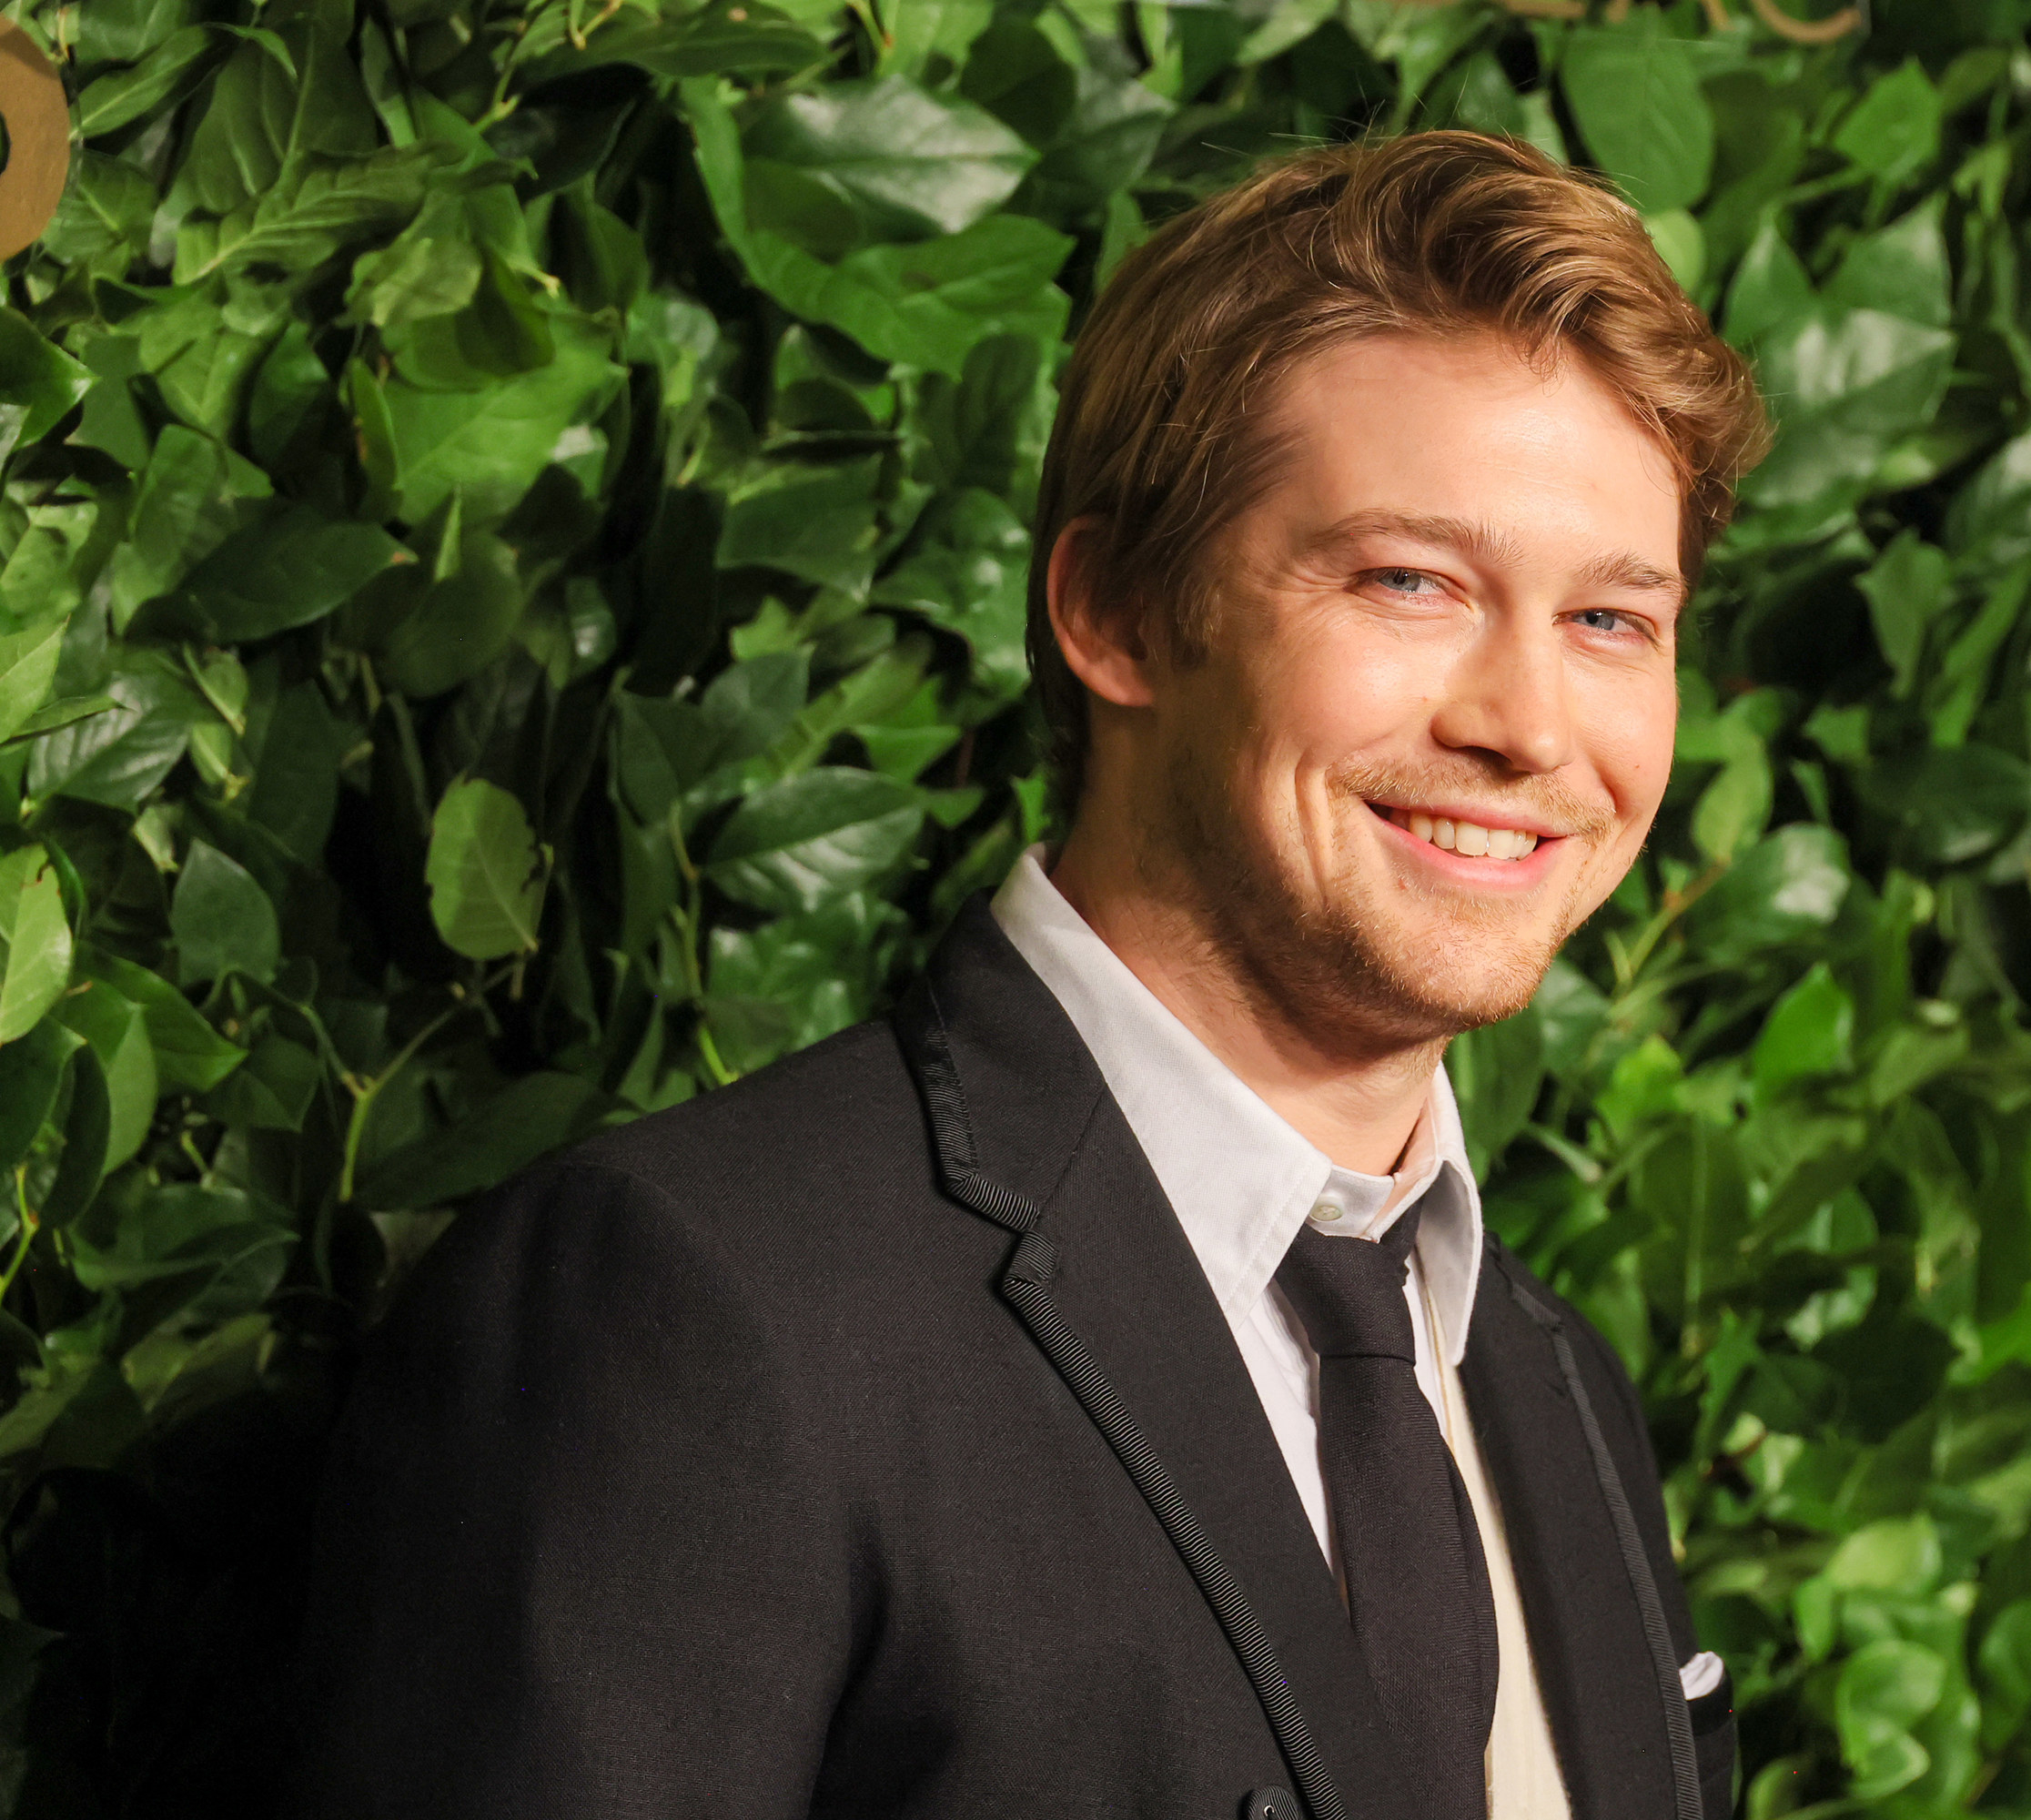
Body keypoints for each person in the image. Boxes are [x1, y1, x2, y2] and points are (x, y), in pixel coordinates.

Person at [293, 129, 1771, 1820]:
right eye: (1409, 581)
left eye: (1610, 622)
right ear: (1118, 615)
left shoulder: (1552, 1377)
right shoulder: (697, 1309)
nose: (1526, 725)